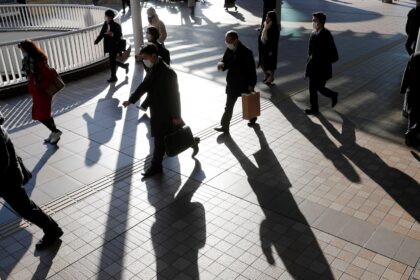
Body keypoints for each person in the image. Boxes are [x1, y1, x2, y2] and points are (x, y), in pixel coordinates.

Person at [122, 44, 199, 178]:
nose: (143, 60)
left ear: (153, 56)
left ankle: (156, 166)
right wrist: (131, 100)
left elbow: (176, 96)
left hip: (168, 113)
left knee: (162, 139)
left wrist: (176, 115)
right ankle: (192, 142)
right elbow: (144, 86)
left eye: (145, 58)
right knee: (170, 136)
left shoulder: (168, 73)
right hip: (157, 111)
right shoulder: (152, 69)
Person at [0, 111, 63, 250]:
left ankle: (52, 230)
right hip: (8, 177)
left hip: (8, 180)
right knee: (25, 207)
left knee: (26, 209)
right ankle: (52, 229)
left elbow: (2, 162)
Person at [18, 40, 62, 144]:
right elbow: (27, 73)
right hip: (36, 90)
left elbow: (47, 74)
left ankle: (55, 131)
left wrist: (40, 85)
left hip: (42, 90)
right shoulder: (28, 59)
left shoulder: (37, 60)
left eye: (23, 49)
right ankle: (54, 133)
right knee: (45, 113)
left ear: (27, 49)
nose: (22, 51)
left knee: (41, 115)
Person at [214, 31, 257, 133]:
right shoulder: (229, 49)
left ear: (236, 40)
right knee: (228, 106)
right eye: (226, 41)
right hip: (232, 83)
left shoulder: (247, 52)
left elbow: (252, 70)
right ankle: (225, 126)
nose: (227, 43)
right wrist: (222, 65)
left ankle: (253, 117)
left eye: (229, 41)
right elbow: (225, 60)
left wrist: (251, 84)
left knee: (248, 102)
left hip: (244, 84)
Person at [304, 12, 339, 115]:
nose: (313, 22)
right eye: (313, 20)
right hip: (313, 67)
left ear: (321, 22)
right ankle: (314, 108)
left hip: (322, 68)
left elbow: (334, 55)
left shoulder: (326, 35)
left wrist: (324, 61)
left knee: (320, 87)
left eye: (315, 20)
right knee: (312, 88)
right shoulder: (313, 33)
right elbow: (310, 50)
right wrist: (309, 59)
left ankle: (333, 95)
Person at [137, 26, 171, 111]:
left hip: (155, 74)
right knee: (152, 89)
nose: (146, 34)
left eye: (148, 33)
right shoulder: (148, 46)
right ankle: (145, 105)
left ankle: (145, 105)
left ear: (152, 35)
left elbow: (165, 62)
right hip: (153, 73)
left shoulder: (152, 48)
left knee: (152, 88)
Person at [94, 9, 129, 83]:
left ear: (110, 17)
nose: (105, 17)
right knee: (112, 61)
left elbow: (119, 35)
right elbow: (102, 33)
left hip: (115, 46)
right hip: (108, 45)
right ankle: (124, 66)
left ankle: (114, 76)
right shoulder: (105, 24)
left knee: (111, 61)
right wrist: (97, 41)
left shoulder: (117, 26)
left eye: (106, 16)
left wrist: (112, 34)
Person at [400, 52, 420, 146]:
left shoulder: (414, 56)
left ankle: (410, 134)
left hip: (412, 91)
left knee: (413, 114)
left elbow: (407, 73)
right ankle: (412, 133)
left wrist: (403, 88)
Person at [258, 11, 280, 85]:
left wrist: (271, 50)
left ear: (271, 18)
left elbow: (274, 40)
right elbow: (262, 34)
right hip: (263, 46)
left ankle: (271, 77)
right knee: (261, 62)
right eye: (266, 16)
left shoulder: (274, 27)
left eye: (267, 16)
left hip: (270, 48)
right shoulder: (265, 24)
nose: (266, 18)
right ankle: (267, 75)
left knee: (271, 63)